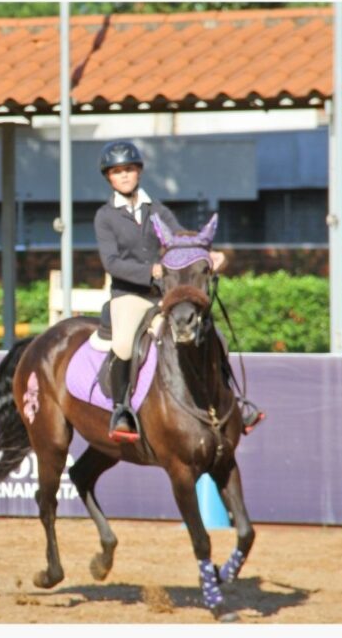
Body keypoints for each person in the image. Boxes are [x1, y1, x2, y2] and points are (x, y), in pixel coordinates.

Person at [94, 140, 263, 442]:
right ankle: (121, 411)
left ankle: (235, 402)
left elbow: (181, 243)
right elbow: (111, 262)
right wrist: (150, 271)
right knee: (122, 344)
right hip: (129, 295)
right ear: (109, 177)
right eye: (117, 171)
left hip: (162, 295)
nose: (124, 176)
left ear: (139, 172)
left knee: (215, 338)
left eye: (129, 169)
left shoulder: (157, 210)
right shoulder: (105, 217)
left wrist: (210, 256)